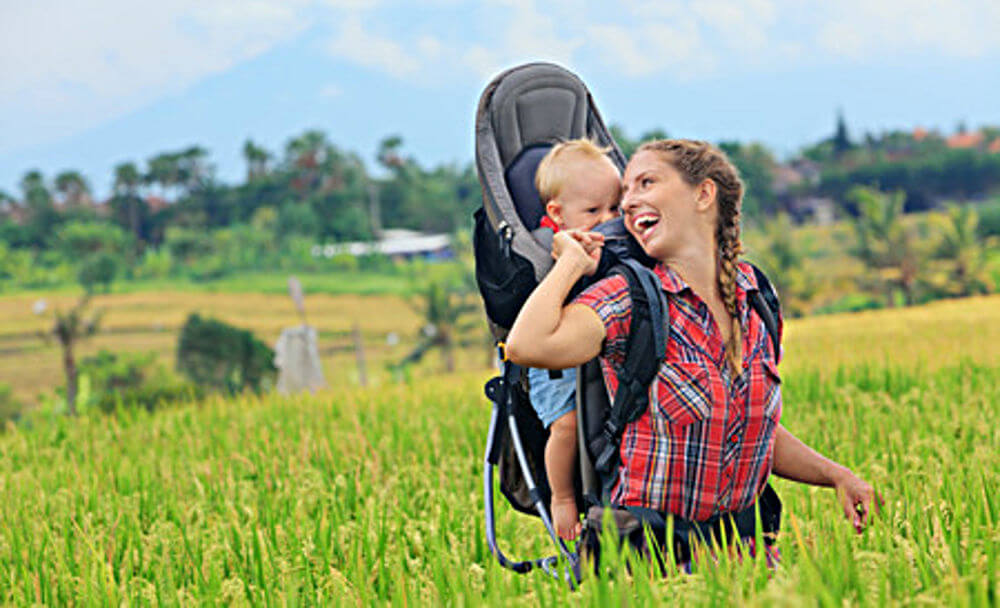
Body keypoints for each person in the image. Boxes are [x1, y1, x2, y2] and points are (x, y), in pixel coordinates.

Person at [506, 139, 877, 561]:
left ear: (704, 194)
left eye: (646, 182)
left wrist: (837, 476)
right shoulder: (630, 299)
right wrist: (571, 262)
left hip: (748, 558)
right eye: (625, 192)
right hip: (649, 566)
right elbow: (526, 346)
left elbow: (749, 432)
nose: (627, 204)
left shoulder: (756, 297)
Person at [526, 138, 622, 542]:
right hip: (552, 359)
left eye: (615, 209)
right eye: (593, 211)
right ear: (557, 213)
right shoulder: (551, 248)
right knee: (566, 425)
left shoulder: (615, 241)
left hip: (598, 349)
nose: (607, 220)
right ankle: (562, 496)